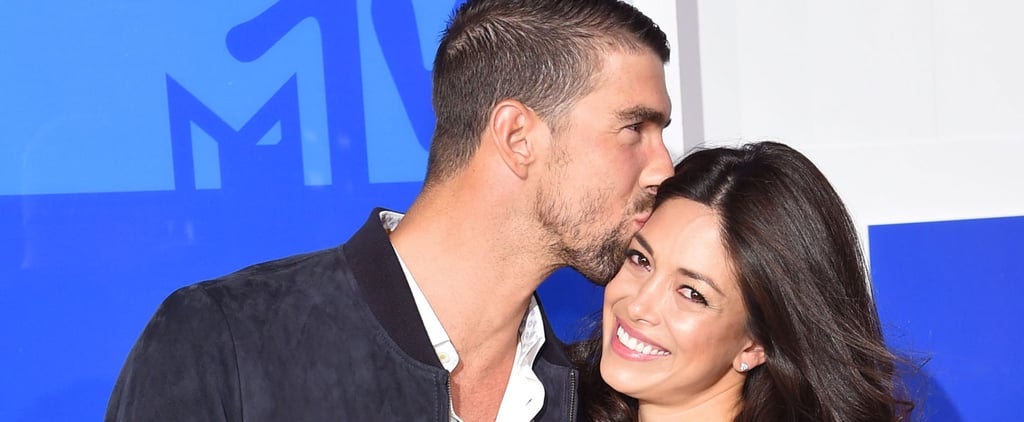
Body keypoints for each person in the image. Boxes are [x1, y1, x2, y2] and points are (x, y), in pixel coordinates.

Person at [106, 1, 675, 421]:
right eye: (634, 128)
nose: (663, 168)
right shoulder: (223, 341)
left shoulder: (597, 398)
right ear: (518, 136)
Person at [570, 142, 914, 421]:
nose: (637, 305)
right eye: (640, 260)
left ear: (756, 344)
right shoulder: (545, 401)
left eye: (691, 293)